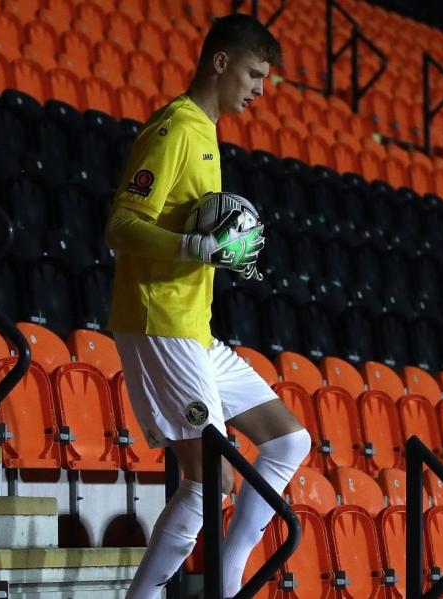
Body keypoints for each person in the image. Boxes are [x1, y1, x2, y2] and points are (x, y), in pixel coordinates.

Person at [103, 14, 311, 599]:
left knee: (289, 441)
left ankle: (229, 575)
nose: (260, 89)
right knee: (209, 479)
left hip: (195, 328)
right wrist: (192, 245)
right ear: (220, 63)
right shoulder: (174, 129)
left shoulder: (208, 133)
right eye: (254, 74)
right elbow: (120, 224)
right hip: (158, 323)